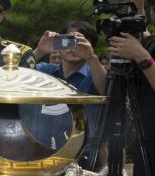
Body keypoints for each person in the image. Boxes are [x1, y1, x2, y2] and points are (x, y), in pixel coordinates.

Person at [107, 0, 155, 176]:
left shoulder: (147, 51)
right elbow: (144, 37)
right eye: (154, 9)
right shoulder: (153, 43)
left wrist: (141, 57)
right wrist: (139, 1)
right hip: (147, 143)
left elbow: (145, 52)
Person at [28, 22, 107, 161]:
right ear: (59, 44)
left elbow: (106, 89)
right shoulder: (44, 71)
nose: (73, 48)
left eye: (80, 42)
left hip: (82, 156)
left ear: (91, 47)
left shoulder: (94, 74)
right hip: (40, 152)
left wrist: (91, 58)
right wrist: (39, 51)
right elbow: (12, 75)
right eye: (68, 41)